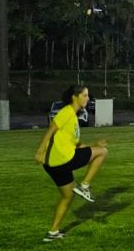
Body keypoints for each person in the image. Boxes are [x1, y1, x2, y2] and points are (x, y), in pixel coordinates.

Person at [34, 85, 109, 242]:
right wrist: (40, 151)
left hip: (52, 165)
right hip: (63, 159)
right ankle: (84, 186)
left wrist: (93, 146)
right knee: (103, 152)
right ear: (75, 97)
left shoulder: (73, 117)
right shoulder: (67, 111)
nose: (88, 98)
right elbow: (51, 129)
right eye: (85, 95)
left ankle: (53, 232)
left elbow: (76, 145)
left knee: (68, 196)